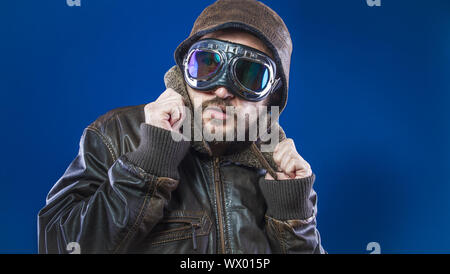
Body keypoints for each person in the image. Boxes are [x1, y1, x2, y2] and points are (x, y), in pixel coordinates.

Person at [38, 0, 325, 254]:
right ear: (183, 71)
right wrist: (147, 164)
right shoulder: (118, 134)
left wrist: (293, 215)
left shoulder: (279, 172)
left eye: (250, 75)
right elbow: (56, 246)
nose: (223, 90)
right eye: (207, 64)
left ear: (272, 96)